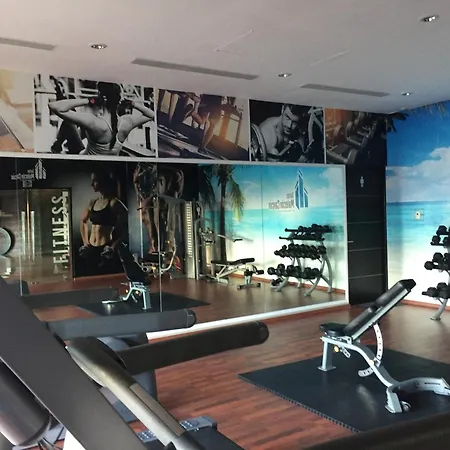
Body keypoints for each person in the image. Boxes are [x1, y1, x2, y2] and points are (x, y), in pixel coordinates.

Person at [48, 81, 155, 156]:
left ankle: (57, 146)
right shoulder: (127, 122)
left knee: (69, 123)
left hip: (84, 163)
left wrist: (87, 100)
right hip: (105, 167)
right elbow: (151, 115)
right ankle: (59, 146)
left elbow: (54, 107)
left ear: (100, 97)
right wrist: (133, 104)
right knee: (83, 126)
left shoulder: (94, 121)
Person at [79, 172, 128, 275]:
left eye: (95, 181)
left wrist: (114, 246)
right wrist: (85, 243)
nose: (92, 184)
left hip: (106, 248)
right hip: (92, 249)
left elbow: (126, 228)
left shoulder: (114, 202)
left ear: (103, 182)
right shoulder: (92, 203)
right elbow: (83, 222)